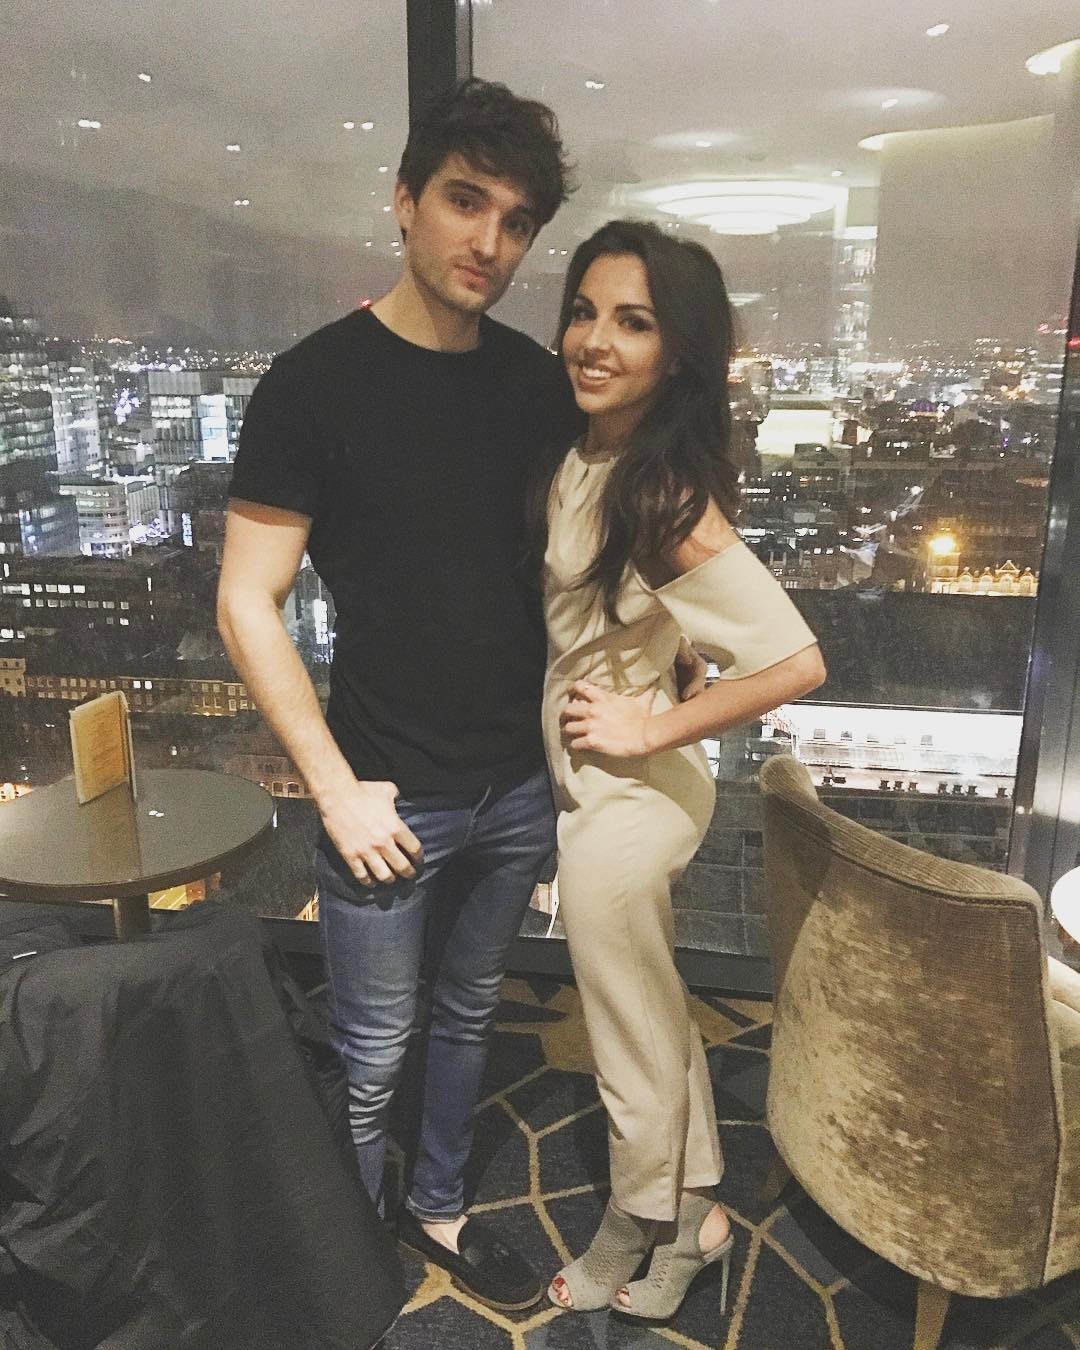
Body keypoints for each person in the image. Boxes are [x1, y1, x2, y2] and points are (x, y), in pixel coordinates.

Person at [216, 79, 583, 1313]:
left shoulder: (535, 383)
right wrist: (335, 791)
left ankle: (435, 1207)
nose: (491, 241)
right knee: (372, 1047)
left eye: (517, 221)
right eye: (466, 202)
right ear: (405, 201)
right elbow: (246, 598)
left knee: (469, 1014)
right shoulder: (314, 383)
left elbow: (573, 564)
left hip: (517, 782)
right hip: (386, 787)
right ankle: (342, 1244)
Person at [539, 220, 826, 1320]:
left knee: (626, 1040)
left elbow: (796, 660)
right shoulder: (591, 455)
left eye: (634, 322)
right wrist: (665, 659)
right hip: (599, 784)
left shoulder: (660, 495)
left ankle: (634, 1218)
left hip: (627, 802)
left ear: (678, 355)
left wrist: (649, 725)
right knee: (652, 1014)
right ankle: (695, 1212)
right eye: (585, 311)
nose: (595, 340)